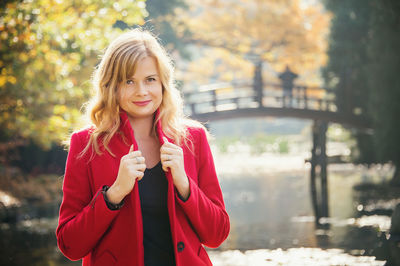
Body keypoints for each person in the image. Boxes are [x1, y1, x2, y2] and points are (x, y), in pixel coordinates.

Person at [56, 29, 230, 266]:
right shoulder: (86, 145)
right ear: (111, 86)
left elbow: (217, 234)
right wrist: (113, 194)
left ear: (163, 83)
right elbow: (70, 245)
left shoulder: (193, 139)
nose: (141, 91)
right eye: (128, 81)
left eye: (150, 79)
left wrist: (185, 184)